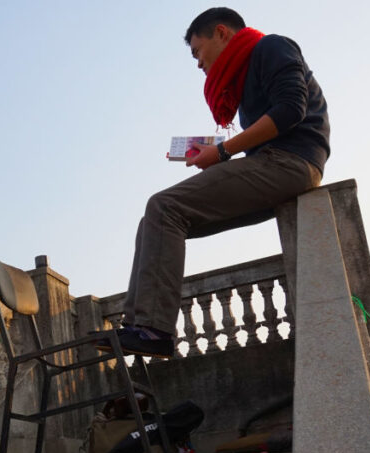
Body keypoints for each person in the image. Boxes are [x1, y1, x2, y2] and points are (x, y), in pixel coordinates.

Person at [102, 7, 329, 358]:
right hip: (273, 163)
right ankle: (137, 326)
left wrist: (222, 152)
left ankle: (152, 328)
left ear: (221, 33)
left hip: (292, 162)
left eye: (197, 51)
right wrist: (218, 153)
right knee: (155, 222)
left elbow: (290, 110)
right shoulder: (244, 76)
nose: (198, 63)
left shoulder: (271, 47)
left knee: (164, 205)